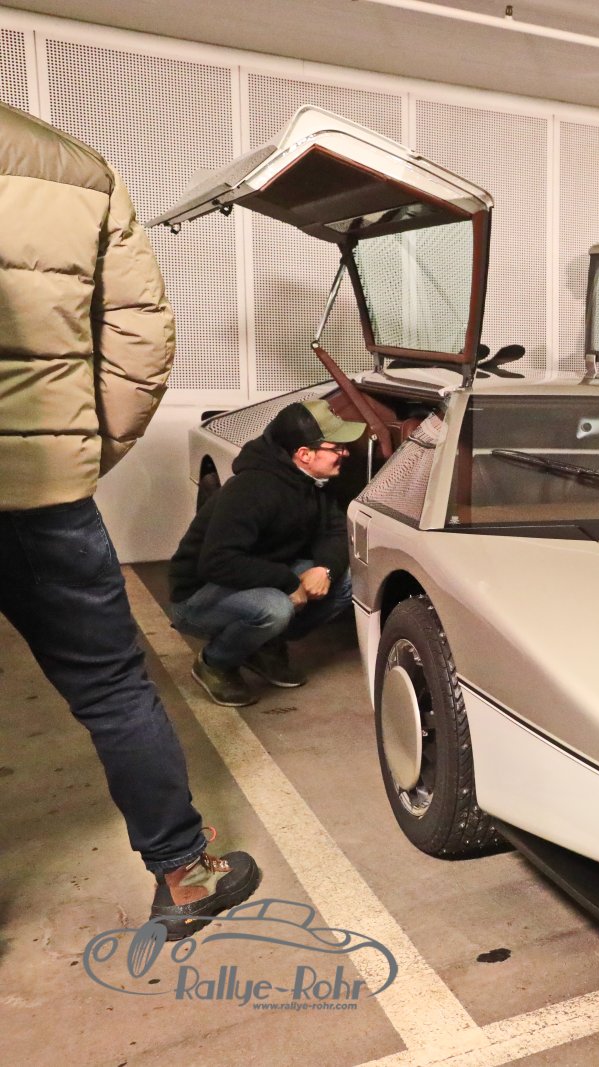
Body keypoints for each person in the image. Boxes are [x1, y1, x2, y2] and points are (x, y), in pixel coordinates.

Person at [0, 102, 260, 939]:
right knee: (113, 688)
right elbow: (139, 342)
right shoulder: (73, 166)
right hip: (42, 496)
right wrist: (76, 455)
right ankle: (186, 876)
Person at [169, 399, 362, 707]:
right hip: (198, 596)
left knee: (347, 581)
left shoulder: (313, 484)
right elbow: (217, 561)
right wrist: (289, 582)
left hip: (255, 578)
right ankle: (215, 663)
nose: (345, 453)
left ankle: (262, 647)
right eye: (336, 447)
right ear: (304, 454)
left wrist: (324, 569)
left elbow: (334, 532)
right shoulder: (251, 489)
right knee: (275, 609)